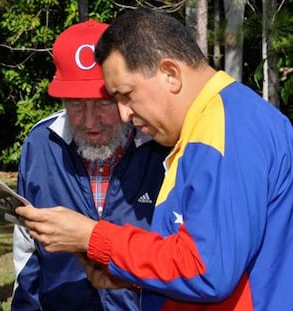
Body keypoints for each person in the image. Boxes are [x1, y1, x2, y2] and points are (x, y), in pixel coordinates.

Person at [15, 8, 293, 311]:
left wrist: (93, 237)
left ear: (170, 74)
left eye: (125, 95)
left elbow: (206, 270)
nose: (124, 113)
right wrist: (131, 275)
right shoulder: (216, 121)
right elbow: (201, 256)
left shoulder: (225, 127)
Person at [10, 19, 169, 311]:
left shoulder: (161, 145)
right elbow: (27, 248)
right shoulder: (41, 144)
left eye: (103, 103)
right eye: (75, 104)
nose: (89, 120)